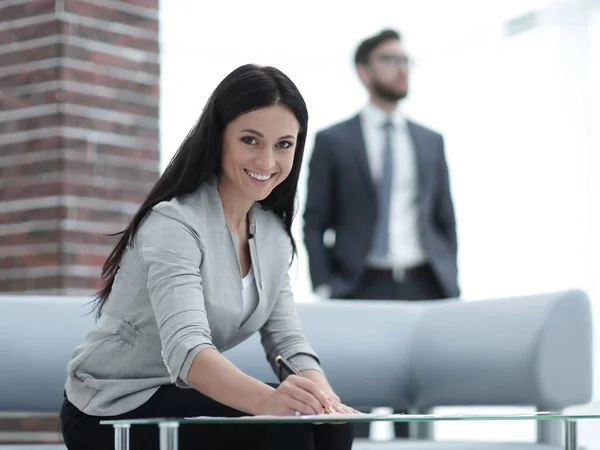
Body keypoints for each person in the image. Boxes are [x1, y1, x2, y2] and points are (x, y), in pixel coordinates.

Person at [60, 64, 356, 450]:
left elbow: (286, 340)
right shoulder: (174, 223)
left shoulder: (271, 234)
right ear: (219, 138)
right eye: (250, 140)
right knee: (285, 426)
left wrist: (326, 402)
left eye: (284, 144)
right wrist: (268, 401)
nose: (267, 161)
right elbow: (187, 352)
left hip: (180, 395)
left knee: (328, 425)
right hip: (111, 407)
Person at [303, 29, 460, 438]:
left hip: (423, 286)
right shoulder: (334, 140)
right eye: (390, 59)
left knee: (416, 408)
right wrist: (325, 286)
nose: (401, 68)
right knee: (357, 408)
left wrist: (451, 282)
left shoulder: (430, 141)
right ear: (363, 70)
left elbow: (445, 219)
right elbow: (313, 220)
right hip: (359, 286)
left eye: (406, 60)